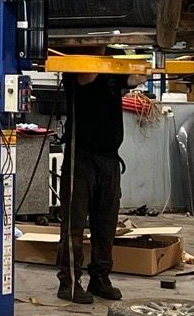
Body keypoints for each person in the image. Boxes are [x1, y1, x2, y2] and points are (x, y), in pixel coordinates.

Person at [56, 71, 143, 303]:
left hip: (110, 158)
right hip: (81, 157)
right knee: (74, 223)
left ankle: (100, 278)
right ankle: (69, 282)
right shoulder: (77, 61)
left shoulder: (114, 59)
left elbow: (137, 78)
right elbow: (88, 76)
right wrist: (113, 69)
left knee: (106, 223)